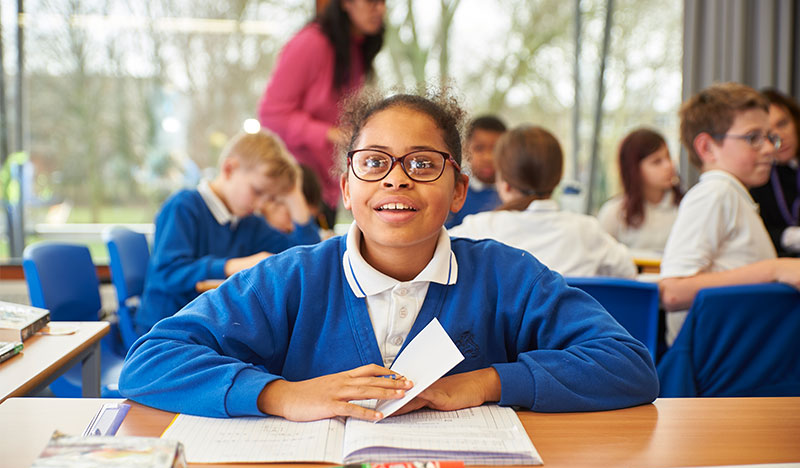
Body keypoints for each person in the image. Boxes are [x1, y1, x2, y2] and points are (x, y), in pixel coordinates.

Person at [119, 88, 659, 421]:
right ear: (347, 189)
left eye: (423, 164)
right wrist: (281, 395)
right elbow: (149, 361)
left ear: (459, 191)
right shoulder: (291, 279)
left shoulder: (507, 275)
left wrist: (486, 382)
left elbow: (630, 365)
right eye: (374, 162)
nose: (396, 179)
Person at [134, 130, 321, 336]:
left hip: (209, 330)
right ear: (229, 169)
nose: (260, 204)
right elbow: (167, 272)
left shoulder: (248, 222)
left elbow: (308, 256)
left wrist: (293, 195)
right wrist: (232, 266)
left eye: (270, 197)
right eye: (257, 191)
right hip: (164, 332)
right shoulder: (184, 207)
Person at [659, 82, 800, 345]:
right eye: (753, 138)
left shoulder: (733, 195)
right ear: (707, 148)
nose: (770, 148)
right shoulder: (714, 193)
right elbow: (673, 291)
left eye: (770, 137)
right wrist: (775, 269)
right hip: (717, 369)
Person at [258, 0, 386, 229]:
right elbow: (271, 114)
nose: (380, 10)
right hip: (294, 187)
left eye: (383, 2)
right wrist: (330, 134)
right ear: (346, 3)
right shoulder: (311, 43)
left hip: (326, 187)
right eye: (371, 2)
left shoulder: (355, 49)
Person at [449, 125, 637, 278]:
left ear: (504, 183)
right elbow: (628, 272)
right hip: (567, 325)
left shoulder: (477, 229)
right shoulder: (587, 230)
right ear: (557, 179)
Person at [597, 128, 683, 254]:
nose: (669, 166)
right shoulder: (614, 212)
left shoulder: (686, 206)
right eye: (656, 161)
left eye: (668, 157)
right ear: (634, 169)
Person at [749, 88, 800, 257]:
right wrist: (788, 237)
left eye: (783, 123)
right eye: (769, 133)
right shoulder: (755, 177)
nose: (779, 137)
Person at [444, 115, 506, 228]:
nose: (488, 157)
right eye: (479, 148)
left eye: (496, 149)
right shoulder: (454, 191)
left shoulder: (516, 193)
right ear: (465, 149)